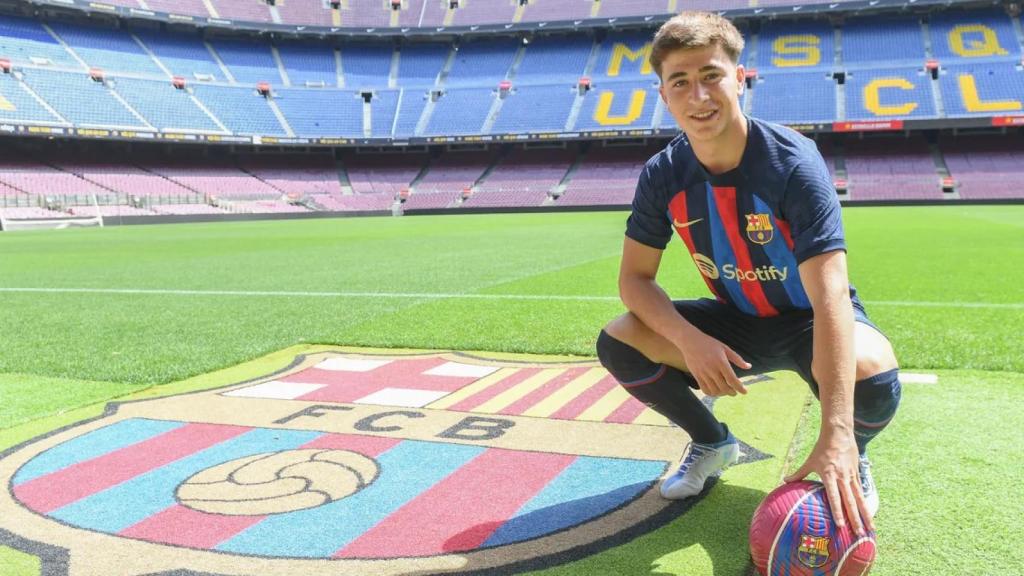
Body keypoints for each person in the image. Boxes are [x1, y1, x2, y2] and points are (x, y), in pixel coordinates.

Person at [595, 11, 901, 538]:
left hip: (809, 319)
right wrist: (690, 341)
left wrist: (837, 431)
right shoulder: (663, 173)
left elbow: (829, 298)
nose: (699, 96)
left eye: (711, 75)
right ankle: (713, 443)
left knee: (872, 367)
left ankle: (853, 454)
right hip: (738, 319)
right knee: (620, 339)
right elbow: (634, 281)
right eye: (681, 82)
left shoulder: (793, 165)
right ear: (663, 95)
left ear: (740, 78)